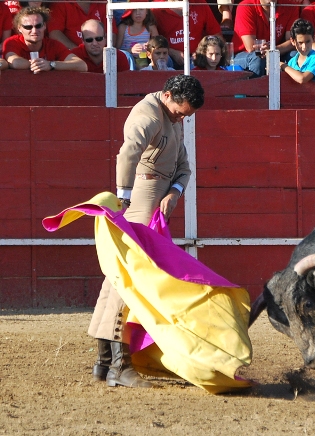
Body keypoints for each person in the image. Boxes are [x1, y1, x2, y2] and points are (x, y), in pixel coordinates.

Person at [89, 74, 205, 389]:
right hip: (139, 202)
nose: (182, 118)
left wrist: (174, 193)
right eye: (181, 112)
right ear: (167, 95)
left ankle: (103, 362)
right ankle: (119, 366)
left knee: (119, 276)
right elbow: (127, 153)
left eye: (186, 115)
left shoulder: (172, 116)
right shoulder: (148, 113)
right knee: (130, 278)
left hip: (155, 202)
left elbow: (184, 167)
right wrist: (123, 198)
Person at [2, 6, 87, 72]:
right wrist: (41, 65)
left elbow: (82, 65)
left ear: (45, 26)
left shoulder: (53, 44)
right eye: (28, 27)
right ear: (19, 28)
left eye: (38, 26)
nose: (34, 31)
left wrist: (51, 64)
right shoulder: (11, 42)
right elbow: (15, 63)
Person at [232, 0, 300, 77]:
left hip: (277, 52)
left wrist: (273, 51)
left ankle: (293, 89)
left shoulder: (290, 6)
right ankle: (255, 88)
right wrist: (271, 51)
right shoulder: (246, 6)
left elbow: (293, 41)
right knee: (257, 58)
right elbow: (251, 47)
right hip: (244, 55)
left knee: (296, 56)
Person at [152, 0, 222, 69]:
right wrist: (171, 52)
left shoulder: (200, 3)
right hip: (168, 55)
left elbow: (216, 36)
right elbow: (151, 42)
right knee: (161, 59)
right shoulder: (156, 7)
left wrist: (201, 52)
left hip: (194, 57)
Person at [280, 18, 315, 82]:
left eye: (307, 42)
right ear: (293, 41)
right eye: (300, 43)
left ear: (313, 38)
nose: (304, 47)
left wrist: (282, 65)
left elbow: (302, 79)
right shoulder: (291, 62)